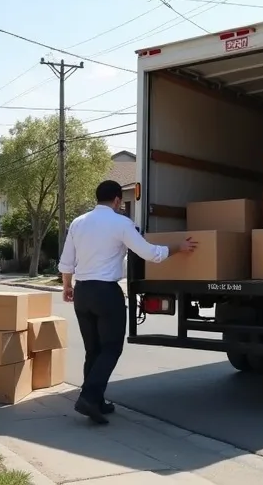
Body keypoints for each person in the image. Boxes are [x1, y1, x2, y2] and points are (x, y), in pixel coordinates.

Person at [58, 180, 197, 424]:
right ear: (117, 201)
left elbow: (67, 260)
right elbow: (151, 254)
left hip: (83, 292)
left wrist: (67, 285)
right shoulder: (121, 223)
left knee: (94, 350)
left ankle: (97, 401)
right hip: (106, 293)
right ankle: (89, 397)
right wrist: (179, 247)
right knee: (111, 348)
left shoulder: (78, 223)